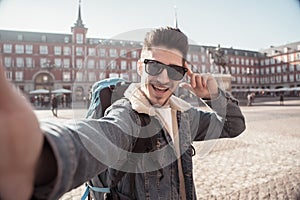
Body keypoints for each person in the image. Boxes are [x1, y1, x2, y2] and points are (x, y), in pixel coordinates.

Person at [0, 27, 246, 200]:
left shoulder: (185, 115)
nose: (163, 78)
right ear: (140, 65)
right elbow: (100, 138)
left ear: (184, 74)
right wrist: (37, 158)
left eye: (174, 71)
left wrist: (212, 96)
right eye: (154, 66)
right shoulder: (128, 114)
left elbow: (233, 126)